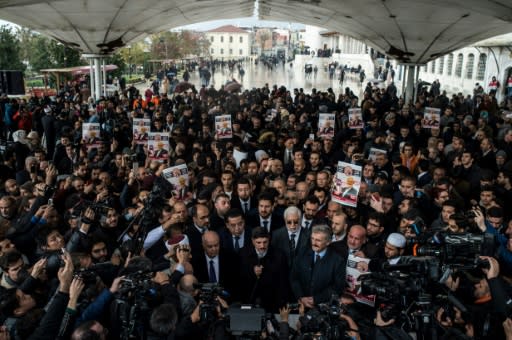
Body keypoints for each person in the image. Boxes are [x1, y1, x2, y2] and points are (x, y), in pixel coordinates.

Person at [290, 224, 346, 307]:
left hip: (323, 306)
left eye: (318, 240)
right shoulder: (302, 253)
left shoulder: (338, 261)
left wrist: (316, 299)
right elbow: (294, 278)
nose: (313, 243)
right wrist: (301, 297)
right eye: (312, 239)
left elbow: (337, 287)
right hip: (301, 303)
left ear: (328, 242)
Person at [239, 227, 289, 312]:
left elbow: (283, 283)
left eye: (265, 242)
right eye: (258, 243)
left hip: (272, 303)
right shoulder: (243, 254)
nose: (262, 246)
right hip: (249, 303)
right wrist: (252, 271)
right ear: (253, 241)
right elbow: (239, 280)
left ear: (269, 240)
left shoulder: (279, 255)